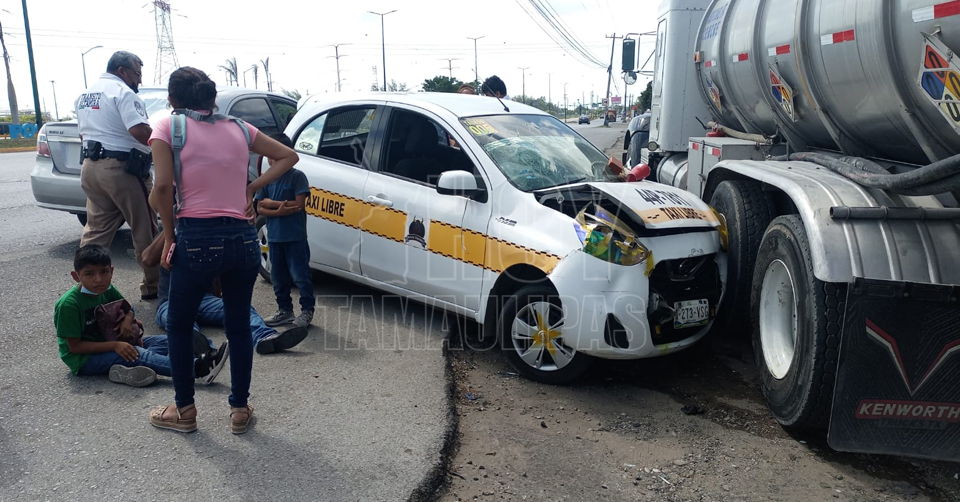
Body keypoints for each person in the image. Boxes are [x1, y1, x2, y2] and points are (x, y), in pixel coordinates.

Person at [148, 67, 299, 434]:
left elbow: (163, 187)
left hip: (196, 236)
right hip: (242, 238)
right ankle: (239, 409)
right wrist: (252, 188)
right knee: (238, 322)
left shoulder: (168, 127)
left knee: (179, 324)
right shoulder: (240, 128)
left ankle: (184, 410)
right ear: (210, 98)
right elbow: (288, 157)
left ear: (172, 99)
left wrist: (168, 235)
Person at [54, 245, 228, 388]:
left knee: (172, 339)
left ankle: (207, 353)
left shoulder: (107, 289)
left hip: (113, 341)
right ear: (76, 276)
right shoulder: (69, 305)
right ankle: (199, 369)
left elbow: (129, 309)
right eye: (89, 274)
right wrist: (116, 346)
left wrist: (127, 321)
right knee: (138, 354)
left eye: (104, 272)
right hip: (84, 359)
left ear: (111, 271)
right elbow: (75, 347)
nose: (98, 279)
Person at [75, 51, 159, 300]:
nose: (139, 80)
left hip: (91, 168)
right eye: (136, 74)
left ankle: (85, 288)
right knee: (145, 229)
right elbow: (140, 131)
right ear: (122, 71)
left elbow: (83, 134)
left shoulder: (86, 95)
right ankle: (154, 286)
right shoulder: (123, 93)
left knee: (96, 232)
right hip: (123, 170)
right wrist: (164, 145)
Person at [142, 233, 309, 354]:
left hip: (204, 300)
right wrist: (171, 230)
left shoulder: (211, 234)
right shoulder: (171, 234)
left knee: (241, 309)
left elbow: (221, 274)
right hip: (172, 302)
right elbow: (147, 259)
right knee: (181, 321)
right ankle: (203, 349)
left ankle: (265, 338)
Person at [256, 133, 315, 329]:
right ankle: (285, 310)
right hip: (274, 237)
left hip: (295, 236)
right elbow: (259, 207)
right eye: (270, 155)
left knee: (300, 275)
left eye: (276, 155)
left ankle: (307, 310)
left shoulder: (297, 177)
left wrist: (271, 204)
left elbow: (299, 204)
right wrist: (278, 209)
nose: (272, 160)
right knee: (277, 277)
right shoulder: (266, 179)